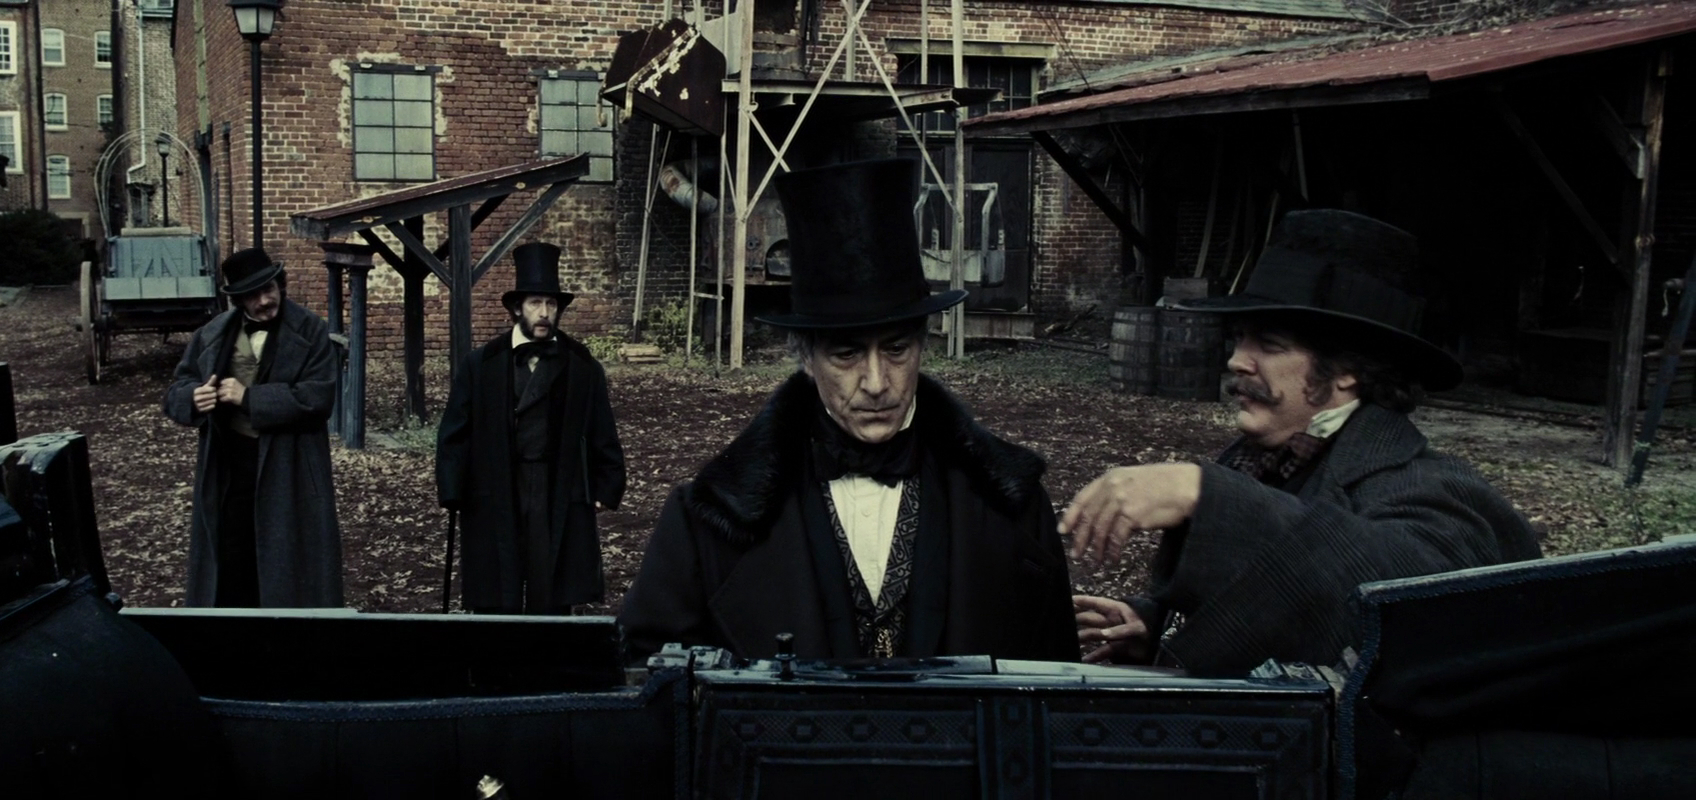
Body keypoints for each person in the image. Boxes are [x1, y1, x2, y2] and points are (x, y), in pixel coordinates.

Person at [618, 159, 1081, 663]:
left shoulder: (1015, 508)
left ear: (923, 345)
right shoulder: (710, 520)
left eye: (896, 349)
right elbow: (648, 678)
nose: (877, 383)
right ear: (807, 359)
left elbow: (1054, 686)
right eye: (846, 354)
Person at [1066, 209, 1541, 676]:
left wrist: (1209, 495)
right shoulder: (1259, 460)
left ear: (1347, 370)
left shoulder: (1430, 485)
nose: (1237, 361)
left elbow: (1404, 599)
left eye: (1269, 345)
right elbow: (1277, 601)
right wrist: (1155, 628)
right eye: (1240, 339)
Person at [436, 242, 626, 615]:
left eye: (551, 304)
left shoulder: (582, 365)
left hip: (557, 484)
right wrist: (452, 488)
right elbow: (455, 431)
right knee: (497, 582)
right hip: (497, 483)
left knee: (551, 581)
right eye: (535, 303)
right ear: (516, 308)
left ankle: (547, 647)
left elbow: (601, 428)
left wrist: (607, 482)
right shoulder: (481, 364)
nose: (544, 313)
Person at [163, 247, 342, 608]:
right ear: (238, 300)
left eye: (269, 289)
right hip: (229, 466)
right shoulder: (212, 334)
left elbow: (318, 398)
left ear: (280, 285)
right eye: (252, 295)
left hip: (290, 466)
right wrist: (193, 398)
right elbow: (177, 389)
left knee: (288, 563)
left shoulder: (311, 330)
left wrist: (249, 398)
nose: (264, 301)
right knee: (232, 557)